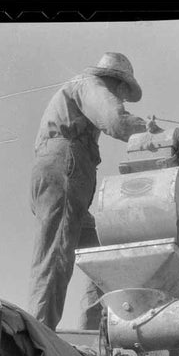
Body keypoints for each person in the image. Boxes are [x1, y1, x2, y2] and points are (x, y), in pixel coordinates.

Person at [27, 52, 155, 330]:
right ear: (116, 82)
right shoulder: (90, 85)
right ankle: (38, 338)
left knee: (103, 252)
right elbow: (116, 121)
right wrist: (151, 131)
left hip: (65, 171)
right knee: (57, 254)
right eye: (122, 92)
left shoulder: (84, 91)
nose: (122, 99)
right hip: (64, 168)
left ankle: (92, 334)